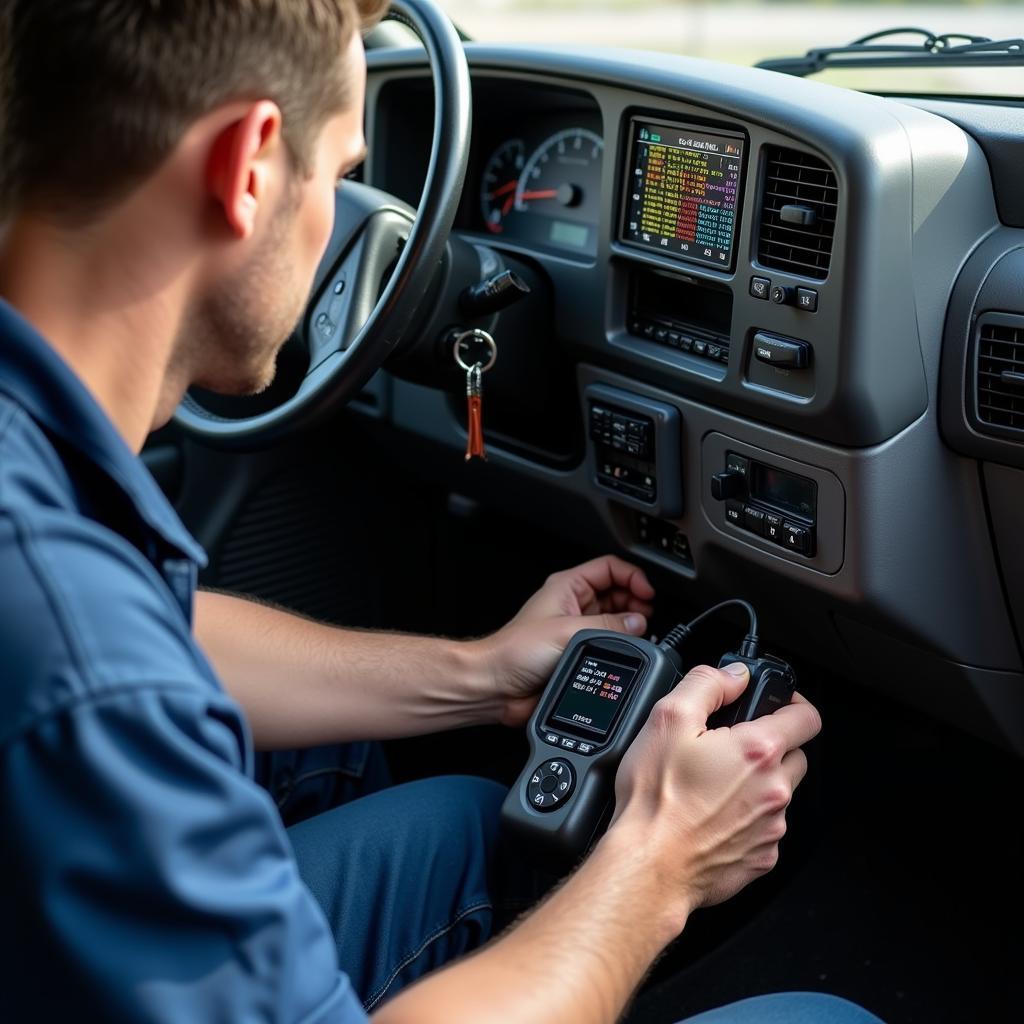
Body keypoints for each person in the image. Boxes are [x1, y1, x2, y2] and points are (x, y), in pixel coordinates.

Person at [0, 2, 881, 1022]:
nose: (342, 216)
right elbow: (108, 669)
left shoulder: (51, 530)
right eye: (337, 172)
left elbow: (158, 636)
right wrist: (661, 857)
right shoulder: (81, 661)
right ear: (245, 167)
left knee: (468, 820)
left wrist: (478, 677)